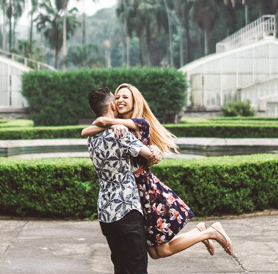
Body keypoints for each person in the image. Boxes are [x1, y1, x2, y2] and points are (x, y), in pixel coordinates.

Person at [82, 82, 233, 259]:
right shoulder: (118, 127)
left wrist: (113, 123)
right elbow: (86, 131)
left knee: (159, 250)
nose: (121, 100)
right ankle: (201, 232)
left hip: (145, 192)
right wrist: (113, 124)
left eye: (125, 97)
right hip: (132, 195)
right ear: (113, 104)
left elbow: (102, 121)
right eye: (118, 97)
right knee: (155, 251)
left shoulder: (139, 123)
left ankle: (209, 233)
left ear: (135, 101)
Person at [86, 86, 161, 274]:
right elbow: (149, 155)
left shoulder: (93, 138)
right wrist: (152, 151)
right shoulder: (121, 135)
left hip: (106, 213)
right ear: (112, 108)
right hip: (127, 211)